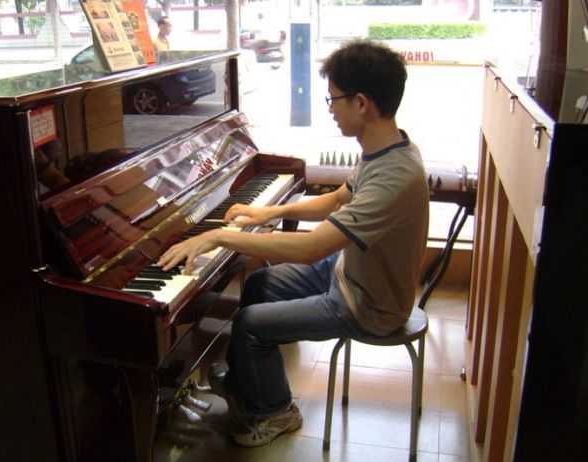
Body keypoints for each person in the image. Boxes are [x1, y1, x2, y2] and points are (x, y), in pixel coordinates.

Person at [157, 40, 430, 447]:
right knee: (259, 284)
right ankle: (247, 385)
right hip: (348, 272)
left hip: (370, 305)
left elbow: (310, 249)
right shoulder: (384, 149)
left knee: (249, 325)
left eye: (333, 99)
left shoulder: (395, 175)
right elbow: (337, 200)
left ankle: (277, 411)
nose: (330, 108)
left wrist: (220, 235)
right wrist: (268, 212)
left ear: (361, 103)